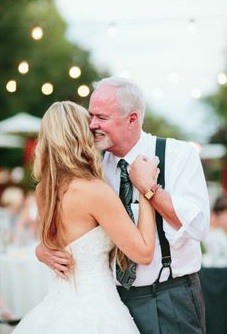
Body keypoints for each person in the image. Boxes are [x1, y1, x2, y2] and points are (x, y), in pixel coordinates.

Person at [36, 77, 210, 334]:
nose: (92, 125)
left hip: (168, 297)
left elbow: (198, 227)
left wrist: (149, 190)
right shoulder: (93, 169)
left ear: (132, 119)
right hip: (112, 303)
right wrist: (42, 249)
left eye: (101, 117)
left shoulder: (178, 154)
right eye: (91, 116)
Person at [12, 100, 157, 334]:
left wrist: (41, 250)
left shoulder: (43, 190)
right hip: (97, 309)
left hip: (56, 308)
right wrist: (145, 189)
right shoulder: (94, 191)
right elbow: (143, 252)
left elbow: (55, 242)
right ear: (81, 136)